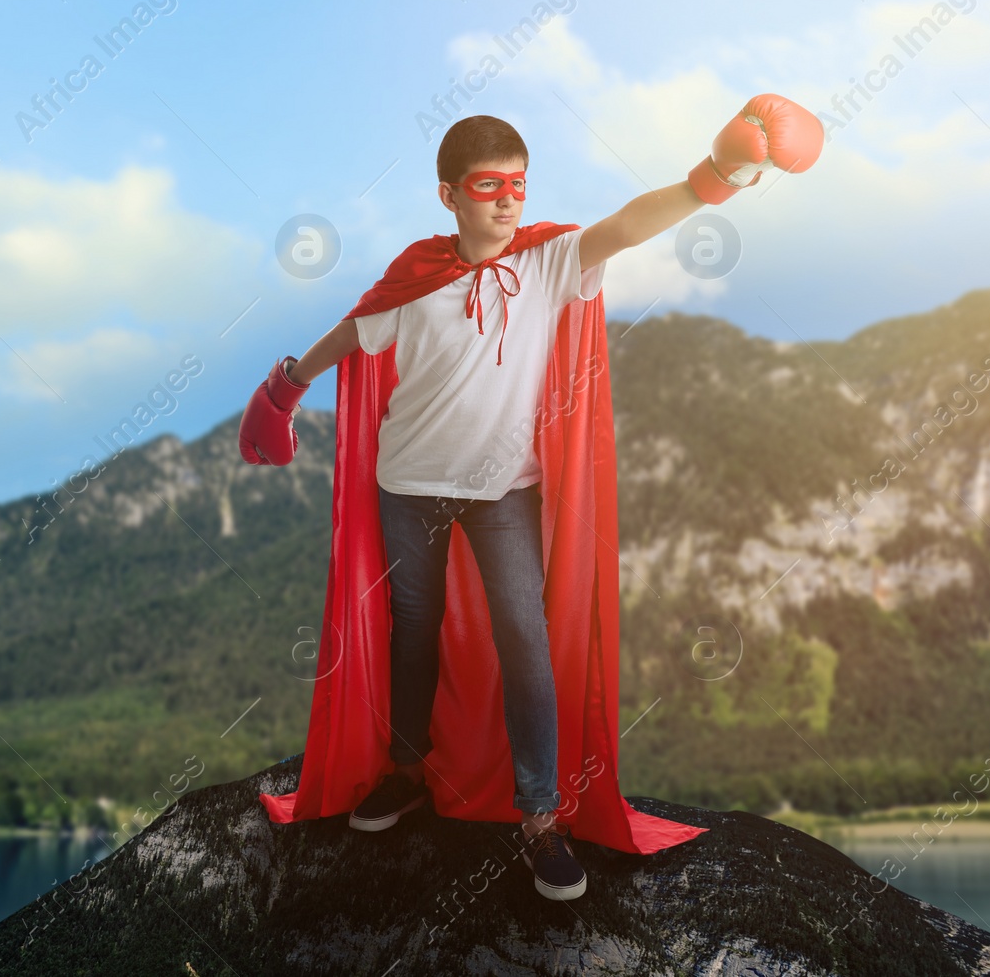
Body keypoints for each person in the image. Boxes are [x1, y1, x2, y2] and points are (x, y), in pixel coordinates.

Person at [239, 95, 822, 902]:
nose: (510, 198)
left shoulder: (550, 262)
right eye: (489, 186)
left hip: (502, 494)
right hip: (408, 488)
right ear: (449, 195)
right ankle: (407, 772)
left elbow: (628, 222)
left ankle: (540, 815)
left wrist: (713, 178)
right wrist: (287, 387)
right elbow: (354, 329)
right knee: (414, 633)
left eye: (519, 183)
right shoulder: (416, 276)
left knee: (526, 638)